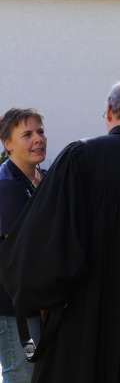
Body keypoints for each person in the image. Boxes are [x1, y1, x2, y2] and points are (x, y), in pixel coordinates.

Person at [0, 80, 120, 383]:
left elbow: (45, 239)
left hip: (88, 313)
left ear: (108, 112)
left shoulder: (80, 158)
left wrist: (40, 295)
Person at [0, 108, 47, 383]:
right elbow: (19, 255)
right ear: (8, 144)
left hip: (36, 303)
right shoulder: (7, 187)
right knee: (22, 374)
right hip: (13, 308)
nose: (38, 139)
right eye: (27, 134)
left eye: (40, 131)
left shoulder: (43, 179)